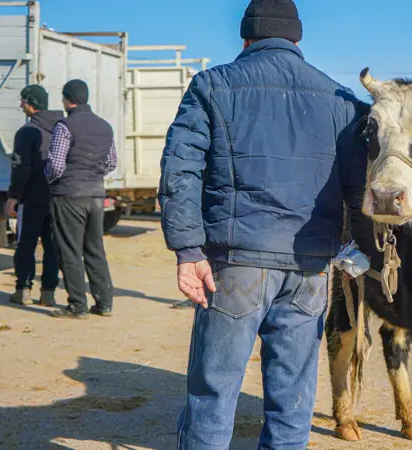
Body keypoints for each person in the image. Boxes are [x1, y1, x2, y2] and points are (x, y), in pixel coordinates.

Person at [158, 1, 373, 448]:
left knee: (213, 391)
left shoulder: (212, 86)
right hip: (310, 268)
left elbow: (180, 172)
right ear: (297, 40)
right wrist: (357, 252)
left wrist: (188, 251)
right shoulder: (343, 102)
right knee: (293, 399)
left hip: (235, 263)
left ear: (245, 38)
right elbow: (359, 193)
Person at [44, 79, 116, 319]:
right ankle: (104, 303)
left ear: (67, 99)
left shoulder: (65, 125)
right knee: (95, 249)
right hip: (96, 194)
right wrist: (93, 176)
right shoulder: (105, 126)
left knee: (70, 250)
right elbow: (111, 162)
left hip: (69, 194)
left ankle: (77, 305)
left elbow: (55, 163)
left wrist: (51, 181)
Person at [5, 85, 62, 306]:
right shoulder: (61, 127)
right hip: (57, 197)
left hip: (31, 198)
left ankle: (23, 290)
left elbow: (22, 167)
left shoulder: (27, 131)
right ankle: (48, 293)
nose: (20, 104)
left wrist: (13, 196)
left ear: (30, 103)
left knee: (26, 245)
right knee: (51, 246)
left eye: (22, 100)